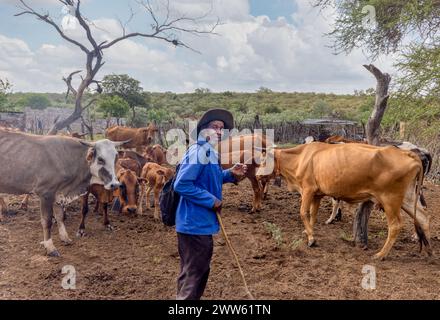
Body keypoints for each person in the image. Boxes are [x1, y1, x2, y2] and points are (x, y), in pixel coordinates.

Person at [173, 108, 247, 300]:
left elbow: (207, 180)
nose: (219, 132)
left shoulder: (209, 152)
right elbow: (181, 184)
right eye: (215, 127)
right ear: (203, 130)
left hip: (200, 224)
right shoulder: (199, 151)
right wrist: (211, 200)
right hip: (194, 225)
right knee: (194, 275)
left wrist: (230, 174)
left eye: (221, 129)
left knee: (193, 273)